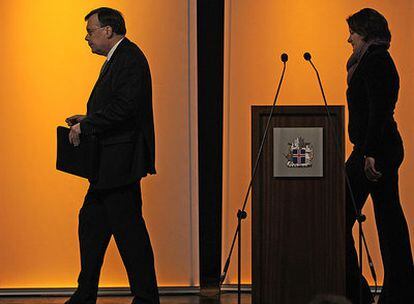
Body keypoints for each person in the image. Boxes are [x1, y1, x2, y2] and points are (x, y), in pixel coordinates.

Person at [64, 7, 159, 304]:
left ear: (108, 30)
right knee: (91, 224)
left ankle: (145, 298)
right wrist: (87, 117)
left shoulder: (129, 58)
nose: (86, 37)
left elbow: (125, 108)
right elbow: (116, 105)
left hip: (119, 163)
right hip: (109, 165)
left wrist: (88, 125)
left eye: (91, 31)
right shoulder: (118, 58)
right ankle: (86, 293)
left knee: (129, 233)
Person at [345, 8, 414, 304]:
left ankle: (358, 290)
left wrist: (369, 153)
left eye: (352, 32)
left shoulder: (377, 62)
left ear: (366, 33)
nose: (348, 39)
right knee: (389, 221)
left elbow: (379, 111)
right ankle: (398, 292)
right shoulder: (374, 60)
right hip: (375, 149)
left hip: (375, 151)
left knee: (340, 216)